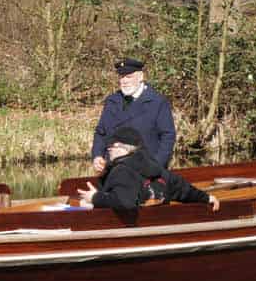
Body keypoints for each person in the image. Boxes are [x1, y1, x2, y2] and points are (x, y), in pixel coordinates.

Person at [77, 126, 220, 212]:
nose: (108, 150)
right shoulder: (155, 167)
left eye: (111, 147)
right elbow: (183, 189)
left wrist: (95, 198)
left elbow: (125, 202)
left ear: (123, 148)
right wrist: (207, 198)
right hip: (156, 226)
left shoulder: (122, 170)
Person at [91, 58, 177, 172]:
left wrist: (156, 166)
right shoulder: (112, 101)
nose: (124, 81)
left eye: (129, 76)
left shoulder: (157, 102)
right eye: (121, 77)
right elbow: (101, 132)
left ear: (141, 76)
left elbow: (168, 137)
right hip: (114, 171)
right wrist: (97, 156)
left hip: (145, 172)